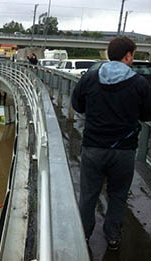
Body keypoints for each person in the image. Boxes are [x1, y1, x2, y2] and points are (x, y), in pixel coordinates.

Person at [71, 36, 151, 251]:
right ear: (127, 55)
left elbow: (77, 105)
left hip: (93, 147)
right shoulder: (139, 83)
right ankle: (113, 237)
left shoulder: (90, 78)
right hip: (124, 152)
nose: (133, 59)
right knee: (118, 195)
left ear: (109, 54)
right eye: (133, 55)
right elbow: (146, 113)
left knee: (88, 195)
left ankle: (83, 236)